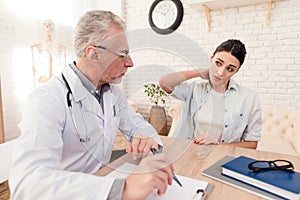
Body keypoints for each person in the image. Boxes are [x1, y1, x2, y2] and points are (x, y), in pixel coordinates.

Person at [9, 10, 174, 200]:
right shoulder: (47, 99)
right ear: (94, 54)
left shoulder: (112, 93)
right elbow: (27, 183)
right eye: (123, 54)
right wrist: (124, 189)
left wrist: (147, 139)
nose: (130, 62)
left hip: (103, 179)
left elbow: (139, 126)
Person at [159, 39, 262, 149]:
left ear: (236, 71)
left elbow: (252, 144)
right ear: (211, 58)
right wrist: (199, 72)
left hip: (224, 157)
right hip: (190, 153)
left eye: (230, 69)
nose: (221, 72)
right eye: (218, 63)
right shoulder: (195, 89)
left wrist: (219, 145)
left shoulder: (249, 98)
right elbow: (164, 83)